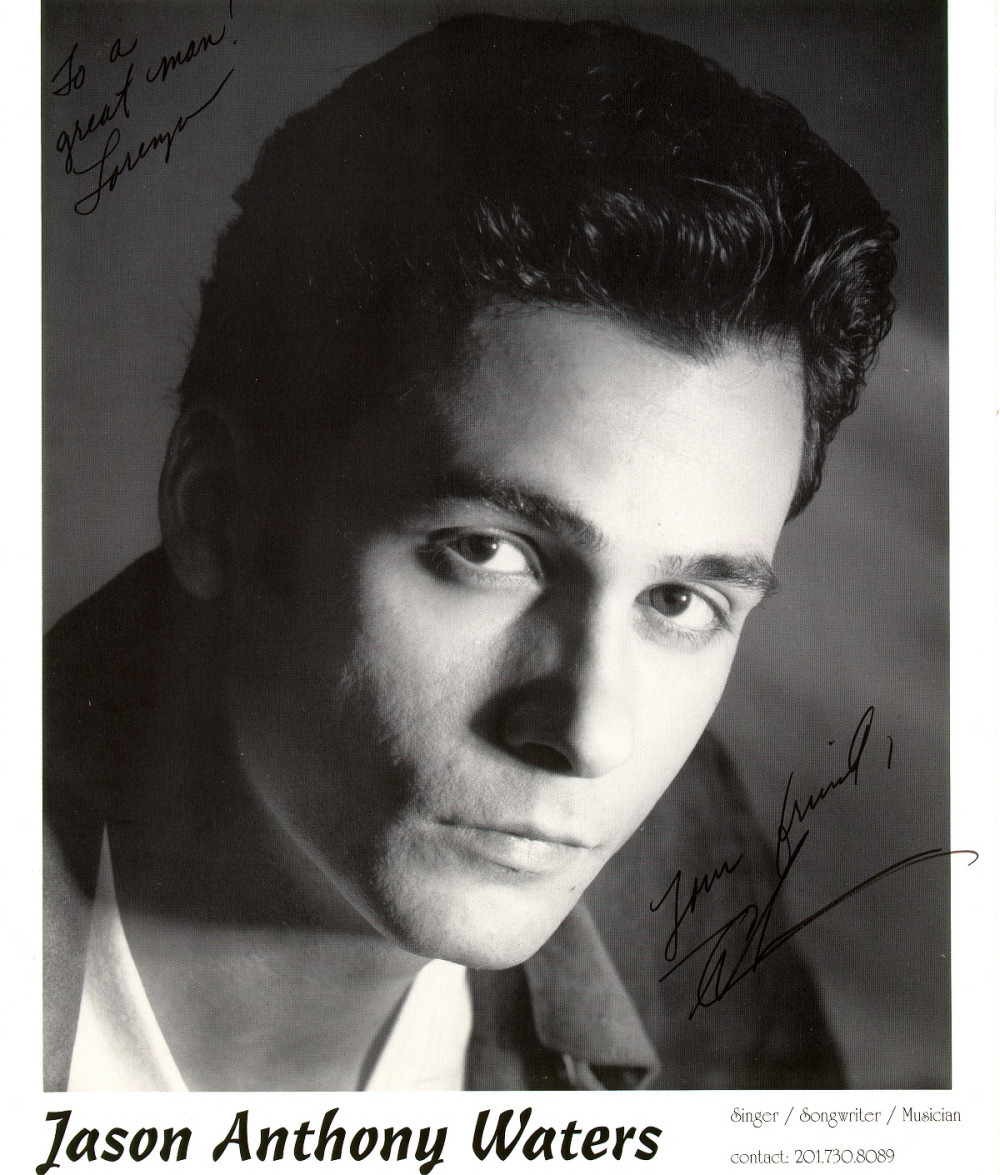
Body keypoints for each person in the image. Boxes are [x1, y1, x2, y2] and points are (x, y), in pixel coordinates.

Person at [44, 13, 896, 1092]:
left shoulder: (674, 863)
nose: (587, 736)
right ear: (216, 509)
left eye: (680, 601)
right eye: (488, 549)